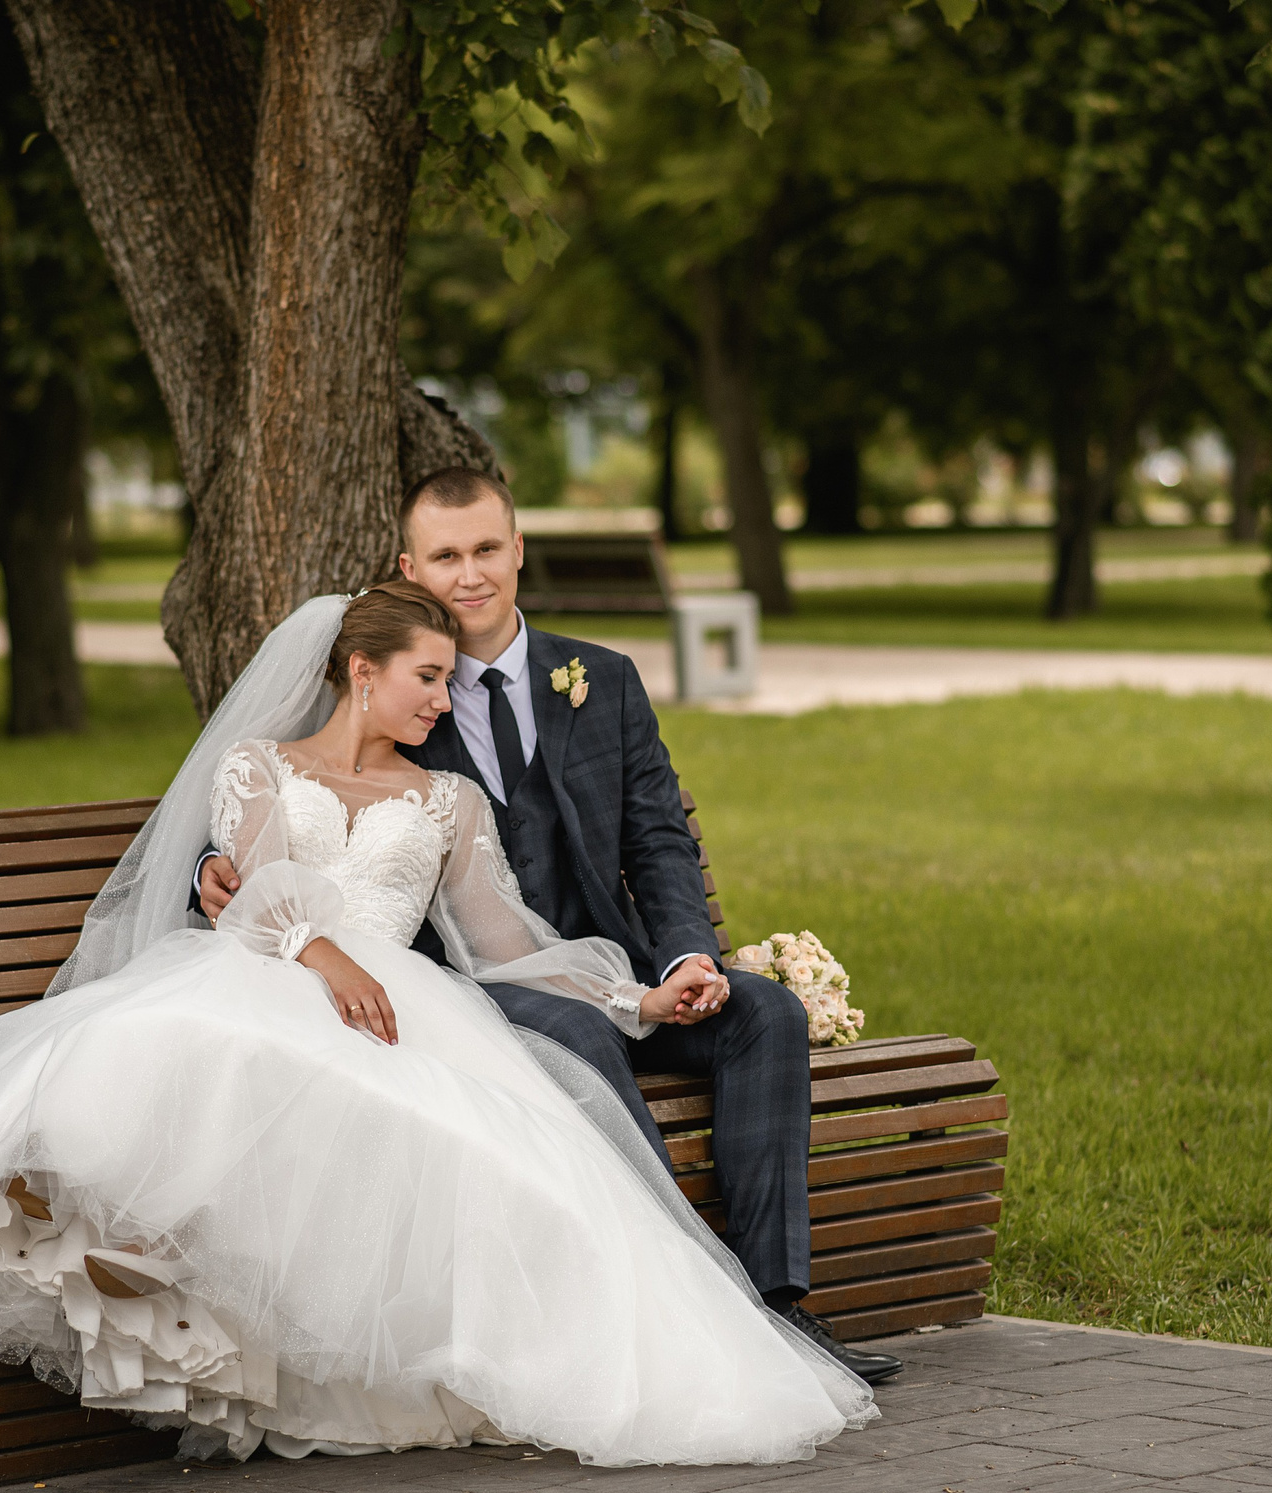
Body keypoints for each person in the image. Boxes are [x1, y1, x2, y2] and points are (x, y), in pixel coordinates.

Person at [0, 581, 876, 1465]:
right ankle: (147, 1262)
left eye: (449, 682)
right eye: (428, 677)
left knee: (465, 1141)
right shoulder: (257, 767)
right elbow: (254, 893)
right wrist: (325, 957)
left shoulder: (448, 800)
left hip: (397, 1005)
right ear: (362, 671)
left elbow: (506, 948)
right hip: (266, 975)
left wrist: (637, 1001)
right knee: (201, 1051)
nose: (444, 701)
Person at [200, 471, 903, 1386]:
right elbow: (290, 792)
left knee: (765, 1013)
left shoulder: (603, 679)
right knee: (576, 1034)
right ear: (410, 569)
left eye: (487, 549)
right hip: (471, 987)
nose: (471, 574)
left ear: (519, 549)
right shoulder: (398, 676)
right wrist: (208, 869)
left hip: (609, 970)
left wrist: (686, 960)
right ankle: (686, 1303)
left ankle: (778, 1305)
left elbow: (659, 839)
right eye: (446, 556)